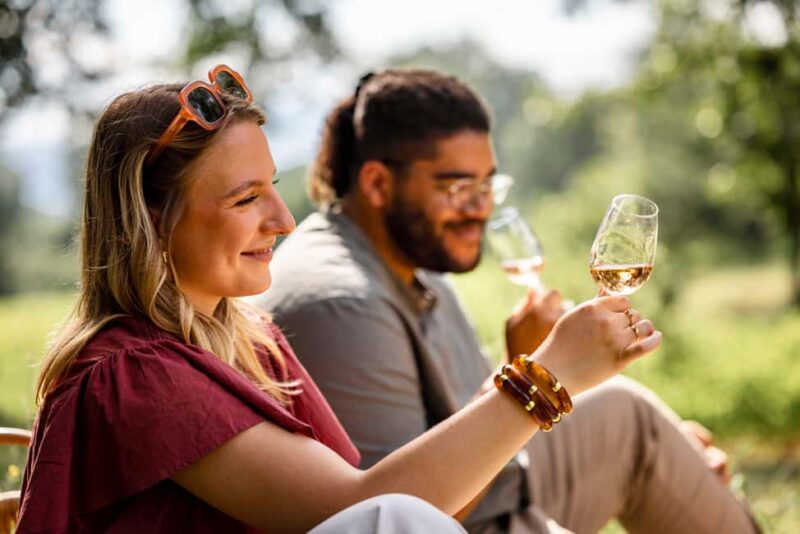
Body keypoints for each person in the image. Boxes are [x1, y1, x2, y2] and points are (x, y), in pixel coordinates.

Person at [15, 65, 661, 534]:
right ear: (151, 221)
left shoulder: (250, 341)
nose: (283, 218)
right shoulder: (134, 375)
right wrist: (546, 377)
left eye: (273, 186)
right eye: (246, 199)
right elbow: (367, 512)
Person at [256, 69, 760, 533]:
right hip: (472, 521)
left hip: (494, 490)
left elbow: (460, 433)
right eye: (458, 188)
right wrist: (533, 374)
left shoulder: (410, 263)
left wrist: (520, 368)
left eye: (488, 185)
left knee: (633, 421)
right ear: (378, 183)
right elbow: (403, 517)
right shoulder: (341, 306)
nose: (481, 209)